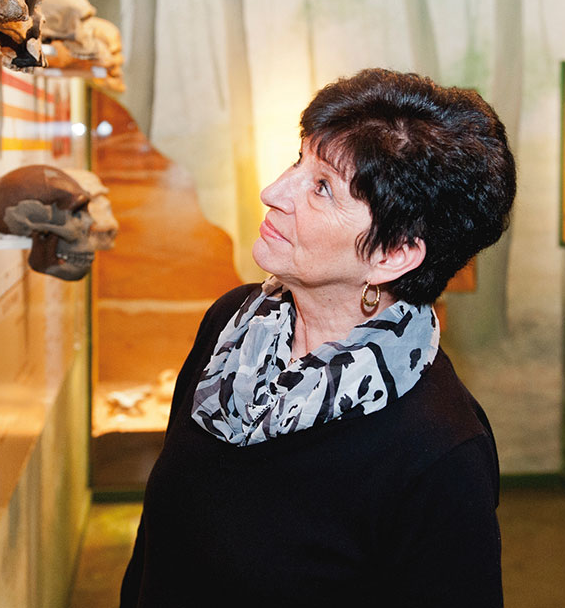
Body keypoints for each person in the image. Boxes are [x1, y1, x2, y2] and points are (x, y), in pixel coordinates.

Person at [120, 69, 516, 607]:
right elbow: (157, 545)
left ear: (393, 254)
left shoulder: (440, 451)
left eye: (322, 187)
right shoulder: (231, 323)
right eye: (297, 161)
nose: (273, 192)